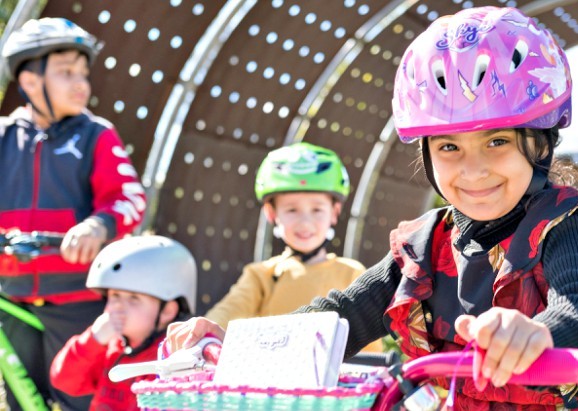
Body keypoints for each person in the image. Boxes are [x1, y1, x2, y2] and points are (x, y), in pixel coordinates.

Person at [166, 6, 578, 409]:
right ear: (426, 155)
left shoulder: (569, 224)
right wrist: (236, 344)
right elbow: (341, 315)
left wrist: (535, 333)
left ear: (540, 144)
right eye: (449, 148)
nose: (473, 171)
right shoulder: (422, 246)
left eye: (497, 141)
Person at [0, 18, 146, 409]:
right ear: (30, 81)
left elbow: (130, 198)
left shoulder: (97, 135)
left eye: (83, 72)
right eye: (66, 72)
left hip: (79, 301)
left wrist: (99, 225)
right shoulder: (3, 138)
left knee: (82, 398)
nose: (81, 82)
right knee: (21, 400)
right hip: (13, 300)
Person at [205, 142, 379, 351]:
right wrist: (206, 330)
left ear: (334, 212)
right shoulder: (261, 275)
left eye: (317, 210)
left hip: (336, 381)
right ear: (271, 213)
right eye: (292, 210)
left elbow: (370, 346)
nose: (305, 222)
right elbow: (227, 312)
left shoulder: (352, 272)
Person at [49, 235, 197, 410]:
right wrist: (92, 339)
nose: (118, 306)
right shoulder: (109, 345)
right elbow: (64, 380)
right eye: (115, 296)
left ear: (167, 311)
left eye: (133, 298)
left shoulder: (171, 361)